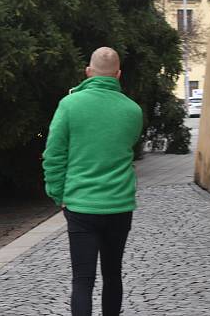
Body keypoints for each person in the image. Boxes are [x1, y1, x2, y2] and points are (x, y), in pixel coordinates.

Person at [42, 47, 143, 316]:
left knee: (82, 280)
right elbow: (128, 145)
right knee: (113, 275)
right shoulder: (133, 110)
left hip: (81, 205)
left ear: (88, 72)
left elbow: (53, 154)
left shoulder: (70, 105)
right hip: (119, 204)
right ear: (118, 75)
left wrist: (57, 194)